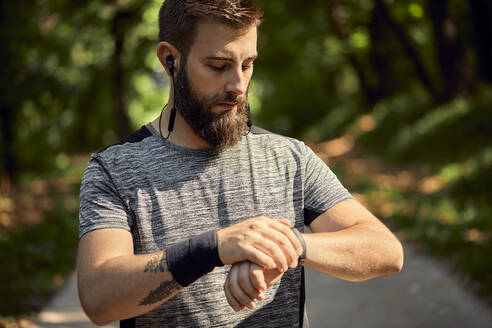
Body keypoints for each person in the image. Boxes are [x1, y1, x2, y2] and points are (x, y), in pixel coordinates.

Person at [76, 0, 404, 327]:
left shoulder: (290, 157)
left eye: (247, 65)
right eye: (219, 66)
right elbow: (98, 299)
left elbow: (385, 251)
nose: (238, 86)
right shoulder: (114, 170)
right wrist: (213, 248)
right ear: (170, 60)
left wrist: (283, 246)